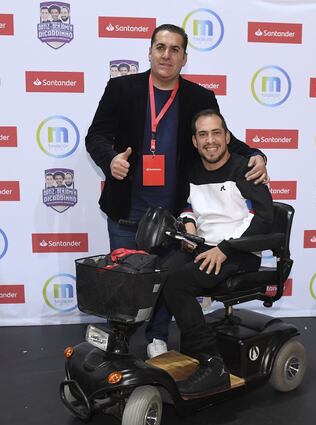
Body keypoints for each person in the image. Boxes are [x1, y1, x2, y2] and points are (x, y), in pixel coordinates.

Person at [85, 24, 268, 358]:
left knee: (167, 281)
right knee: (126, 283)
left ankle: (157, 337)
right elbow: (95, 135)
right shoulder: (121, 88)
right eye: (160, 47)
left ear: (185, 57)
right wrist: (110, 159)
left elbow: (223, 139)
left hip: (174, 216)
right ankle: (121, 344)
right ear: (150, 51)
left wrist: (257, 155)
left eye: (174, 49)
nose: (166, 55)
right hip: (126, 210)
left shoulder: (200, 97)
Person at [162, 109, 274, 396]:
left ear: (226, 136)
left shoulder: (246, 170)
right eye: (203, 135)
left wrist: (225, 249)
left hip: (239, 251)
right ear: (195, 141)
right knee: (161, 271)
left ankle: (214, 367)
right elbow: (191, 205)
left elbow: (264, 218)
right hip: (206, 246)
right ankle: (192, 348)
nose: (210, 141)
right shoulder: (194, 171)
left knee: (178, 284)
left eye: (215, 133)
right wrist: (188, 223)